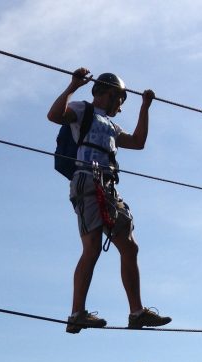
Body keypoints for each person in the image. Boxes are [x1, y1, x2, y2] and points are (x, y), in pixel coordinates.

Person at [47, 68, 171, 333]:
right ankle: (76, 313)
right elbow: (55, 115)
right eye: (117, 98)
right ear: (101, 94)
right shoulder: (83, 110)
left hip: (108, 187)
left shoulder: (112, 126)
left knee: (129, 246)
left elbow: (138, 142)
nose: (120, 104)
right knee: (91, 247)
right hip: (87, 181)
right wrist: (72, 87)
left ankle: (136, 312)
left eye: (123, 100)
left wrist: (145, 107)